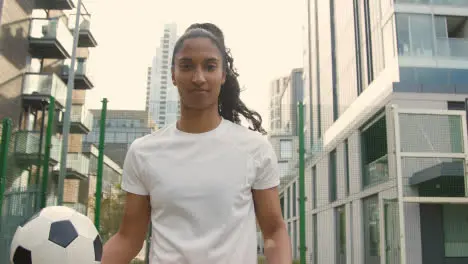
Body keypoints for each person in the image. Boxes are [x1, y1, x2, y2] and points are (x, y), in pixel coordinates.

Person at [101, 22, 291, 264]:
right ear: (173, 74)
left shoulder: (254, 148)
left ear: (222, 75)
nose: (198, 77)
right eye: (187, 66)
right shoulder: (143, 152)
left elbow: (274, 231)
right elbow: (128, 238)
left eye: (210, 67)